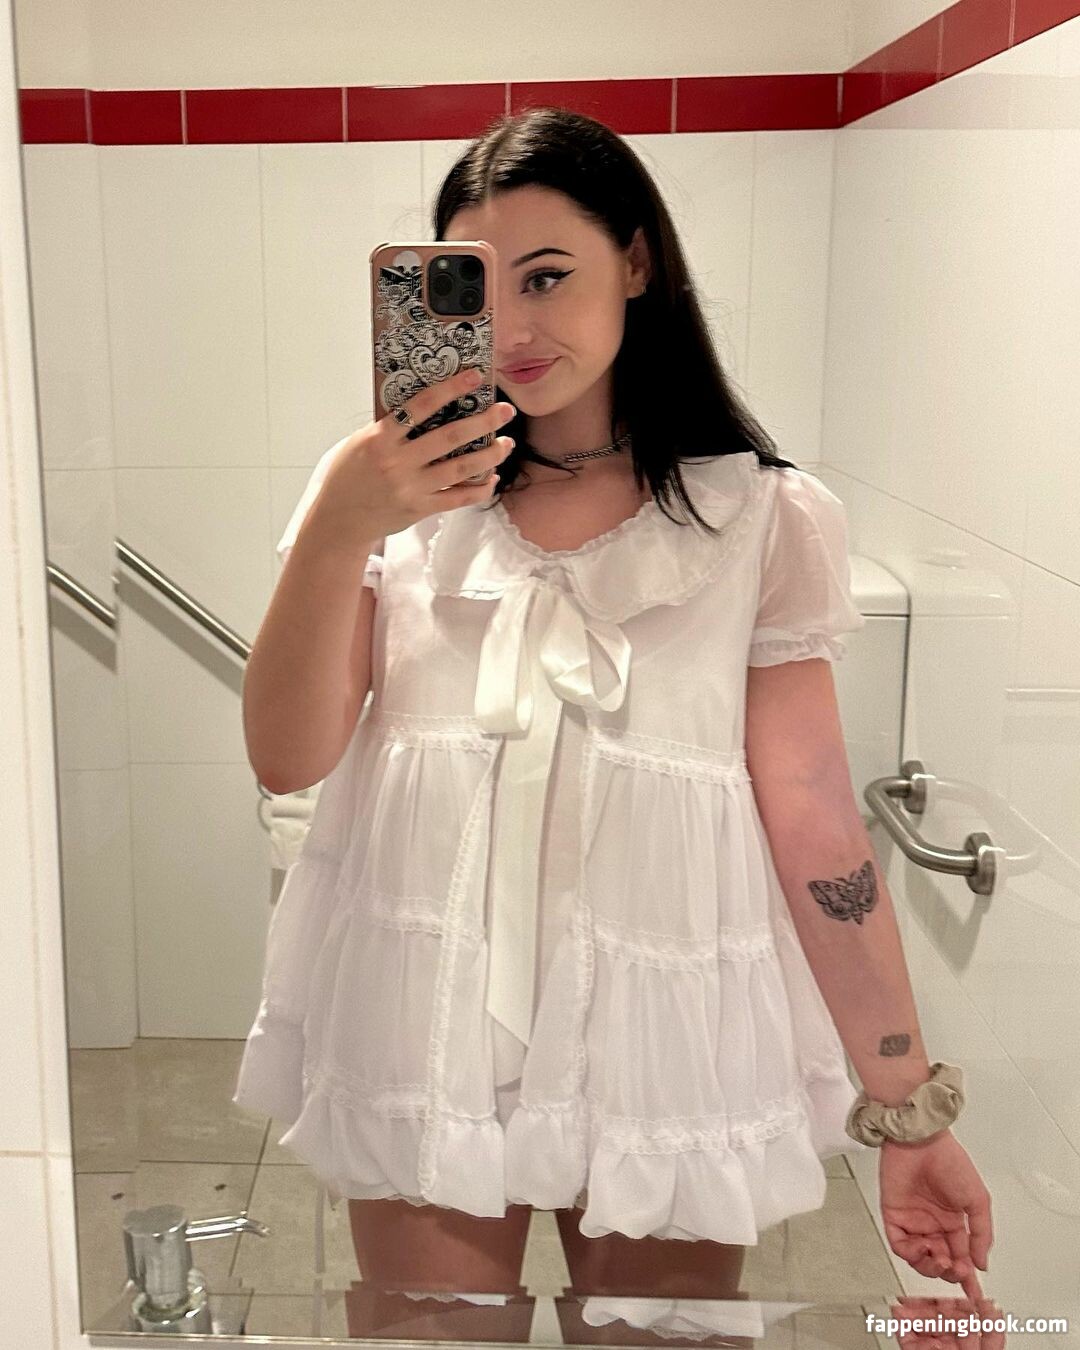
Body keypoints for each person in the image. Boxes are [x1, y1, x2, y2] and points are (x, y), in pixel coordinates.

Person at [234, 107, 992, 1327]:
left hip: (667, 1020)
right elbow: (286, 755)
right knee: (431, 1333)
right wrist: (340, 519)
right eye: (480, 289)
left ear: (635, 262)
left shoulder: (760, 518)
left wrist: (908, 1111)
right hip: (427, 1010)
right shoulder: (387, 504)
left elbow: (815, 819)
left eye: (549, 276)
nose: (515, 330)